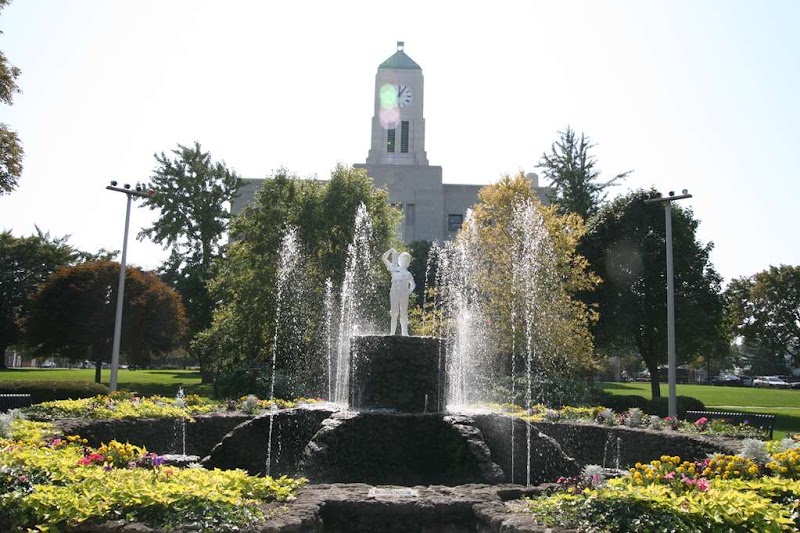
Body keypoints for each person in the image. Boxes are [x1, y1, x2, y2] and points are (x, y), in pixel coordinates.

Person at [382, 248, 416, 336]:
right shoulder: (394, 269)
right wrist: (390, 251)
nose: (404, 261)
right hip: (394, 292)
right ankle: (392, 332)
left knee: (404, 313)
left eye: (406, 260)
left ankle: (404, 332)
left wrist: (409, 291)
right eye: (403, 259)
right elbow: (384, 258)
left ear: (408, 262)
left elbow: (413, 284)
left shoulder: (408, 274)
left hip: (404, 293)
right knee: (394, 312)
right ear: (400, 260)